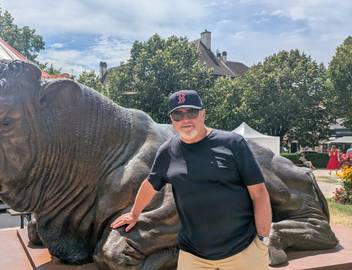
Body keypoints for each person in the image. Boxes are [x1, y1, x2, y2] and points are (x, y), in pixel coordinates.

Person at [111, 90, 271, 270]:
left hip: (243, 250)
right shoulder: (167, 151)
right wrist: (134, 213)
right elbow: (150, 183)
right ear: (172, 119)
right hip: (194, 256)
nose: (185, 119)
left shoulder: (233, 143)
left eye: (192, 112)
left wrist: (263, 237)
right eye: (178, 114)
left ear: (203, 113)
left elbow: (259, 193)